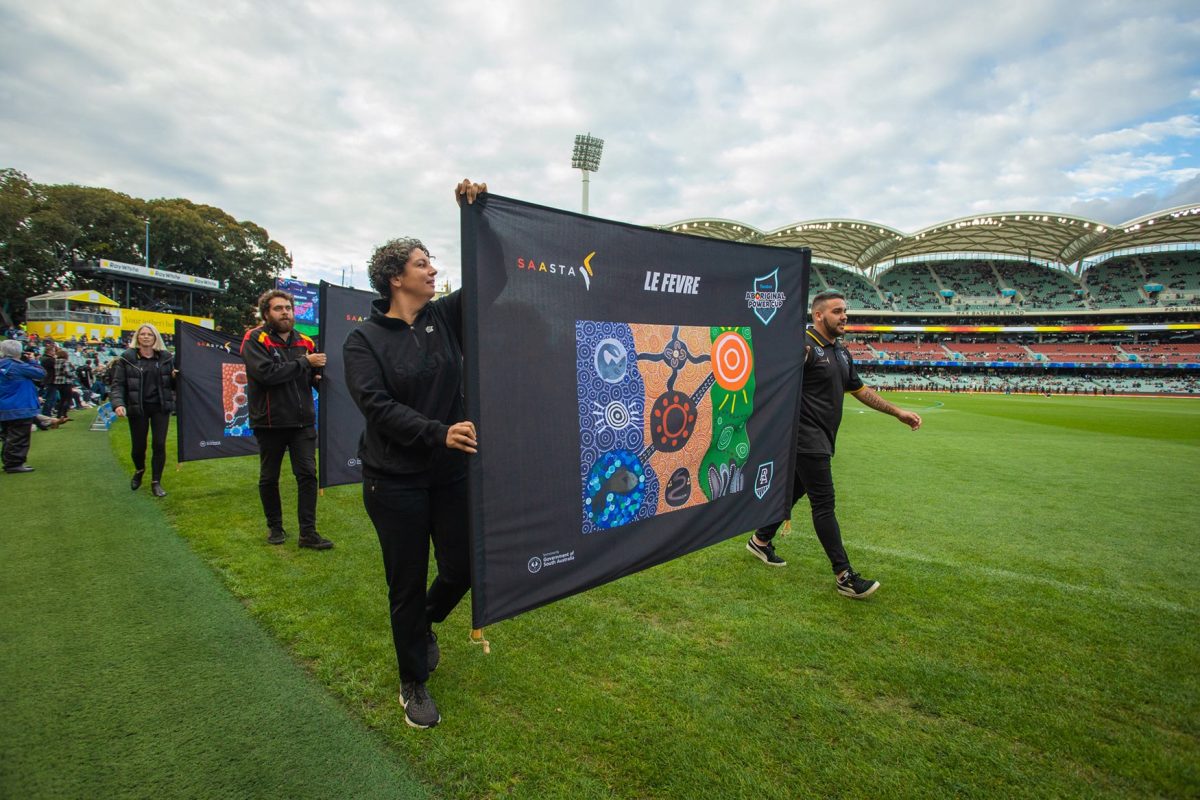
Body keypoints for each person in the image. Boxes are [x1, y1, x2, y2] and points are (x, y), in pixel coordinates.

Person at [343, 178, 486, 730]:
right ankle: (413, 682)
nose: (432, 270)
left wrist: (474, 213)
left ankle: (421, 626)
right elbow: (376, 407)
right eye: (422, 264)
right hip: (393, 481)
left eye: (432, 262)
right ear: (395, 278)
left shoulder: (443, 318)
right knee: (404, 584)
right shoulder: (363, 340)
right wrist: (437, 432)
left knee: (463, 569)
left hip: (449, 475)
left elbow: (488, 277)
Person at [745, 290, 922, 599]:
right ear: (818, 315)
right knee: (824, 504)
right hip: (805, 437)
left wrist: (897, 412)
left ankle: (760, 540)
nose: (844, 316)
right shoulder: (803, 346)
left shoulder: (840, 352)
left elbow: (860, 390)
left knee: (796, 490)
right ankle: (844, 575)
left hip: (824, 436)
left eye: (845, 311)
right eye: (837, 311)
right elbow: (771, 377)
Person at [240, 289, 332, 550]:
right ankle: (275, 527)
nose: (285, 313)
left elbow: (312, 376)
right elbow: (267, 374)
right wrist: (305, 363)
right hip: (269, 422)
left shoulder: (306, 341)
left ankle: (308, 533)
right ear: (266, 313)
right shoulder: (255, 338)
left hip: (302, 422)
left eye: (288, 308)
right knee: (269, 477)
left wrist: (318, 378)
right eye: (278, 308)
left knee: (308, 475)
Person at [111, 324, 177, 498]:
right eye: (143, 334)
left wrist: (176, 377)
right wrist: (118, 404)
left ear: (155, 338)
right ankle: (139, 470)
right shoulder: (127, 358)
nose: (146, 337)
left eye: (150, 334)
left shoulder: (166, 358)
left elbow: (174, 386)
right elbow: (118, 384)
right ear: (137, 337)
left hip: (160, 407)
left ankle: (156, 481)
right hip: (137, 407)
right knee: (138, 447)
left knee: (159, 444)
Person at [1, 339, 48, 473]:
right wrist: (32, 361)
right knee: (19, 437)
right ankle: (14, 464)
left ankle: (9, 461)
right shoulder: (19, 366)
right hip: (20, 406)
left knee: (8, 436)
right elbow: (41, 373)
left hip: (4, 406)